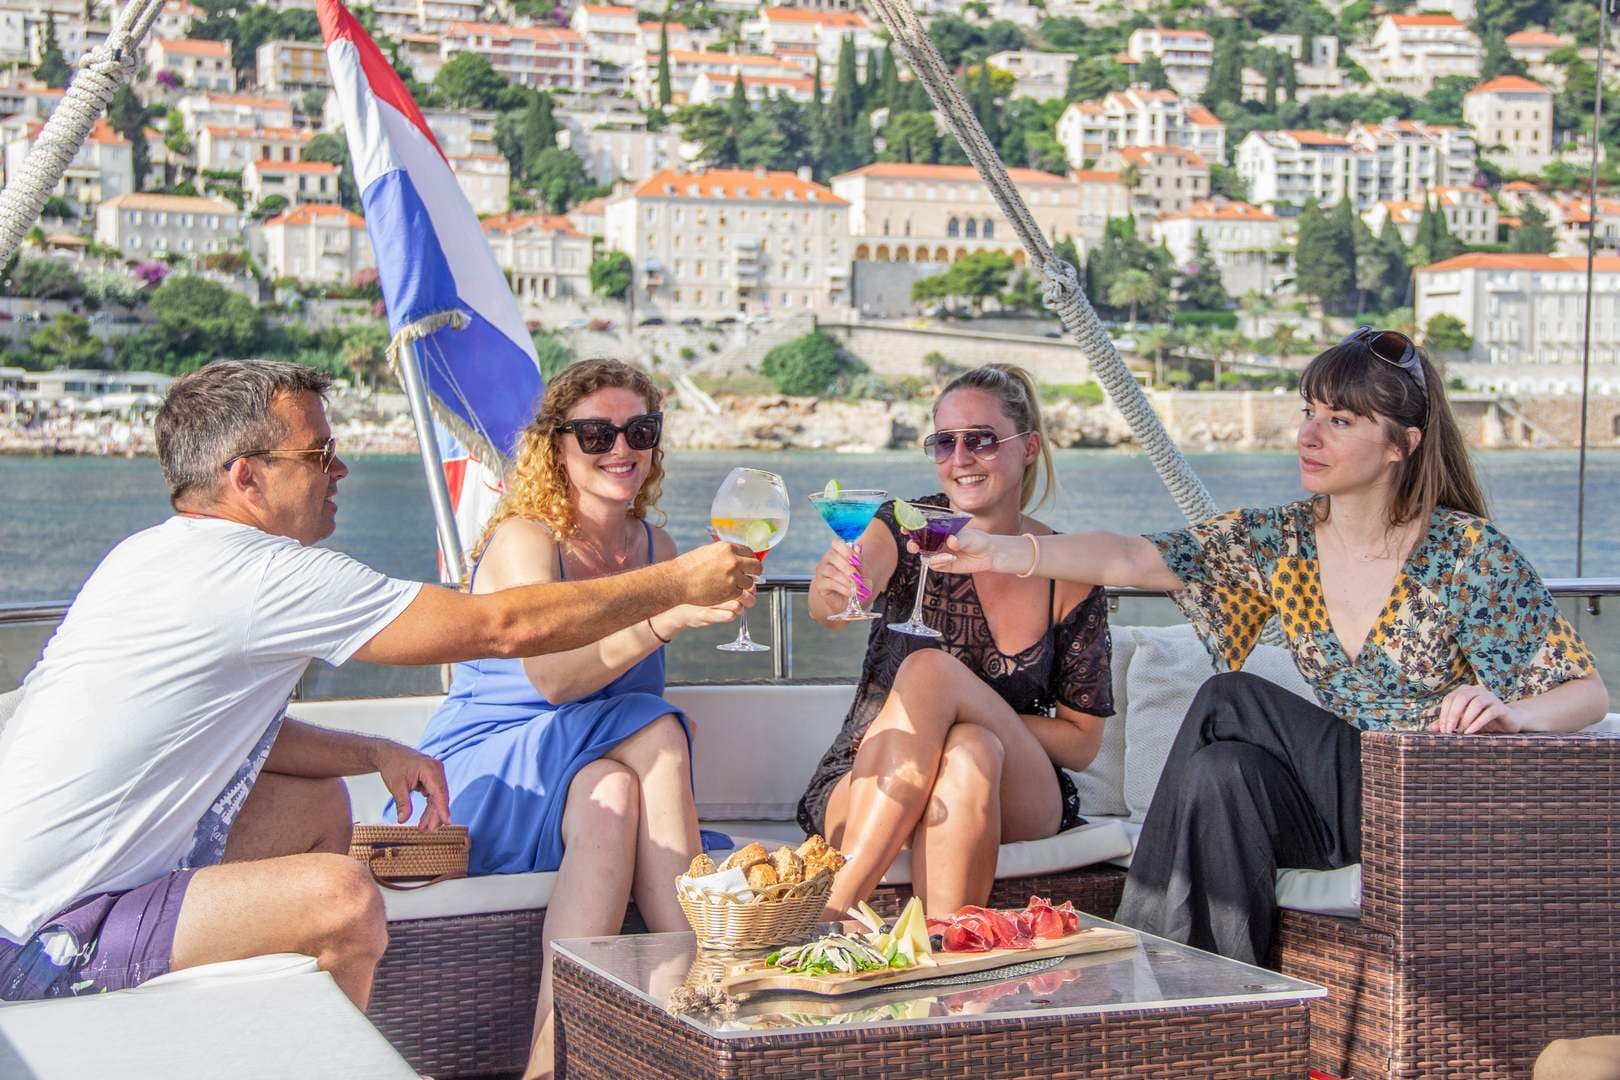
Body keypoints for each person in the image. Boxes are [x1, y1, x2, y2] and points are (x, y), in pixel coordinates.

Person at [0, 359, 756, 1012]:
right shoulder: (267, 576)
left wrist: (370, 750)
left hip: (52, 891)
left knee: (312, 800)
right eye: (320, 454)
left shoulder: (147, 556)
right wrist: (678, 585)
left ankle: (255, 1037)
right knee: (343, 898)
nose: (341, 471)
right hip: (44, 934)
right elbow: (501, 629)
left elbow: (213, 728)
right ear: (247, 478)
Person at [926, 329, 1608, 964]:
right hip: (1341, 804)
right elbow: (1134, 556)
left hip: (1430, 800)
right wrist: (1004, 548)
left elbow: (1586, 693)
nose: (1309, 436)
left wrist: (1513, 712)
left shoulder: (1465, 554)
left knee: (1230, 697)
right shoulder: (1283, 542)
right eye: (1310, 412)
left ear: (1402, 444)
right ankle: (1213, 1001)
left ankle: (1127, 956)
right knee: (1220, 774)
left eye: (1340, 421)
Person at [401, 360, 744, 1080]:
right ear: (555, 447)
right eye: (596, 434)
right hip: (491, 771)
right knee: (653, 729)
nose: (621, 449)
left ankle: (549, 1060)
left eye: (639, 431)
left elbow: (613, 704)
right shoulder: (528, 539)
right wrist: (668, 615)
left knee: (615, 791)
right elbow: (556, 681)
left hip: (591, 778)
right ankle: (700, 1008)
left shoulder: (659, 549)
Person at [802, 363, 1114, 920]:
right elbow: (836, 603)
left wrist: (963, 705)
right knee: (970, 749)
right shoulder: (905, 525)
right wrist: (833, 588)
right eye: (944, 442)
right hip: (872, 777)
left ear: (1029, 448)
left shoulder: (1067, 569)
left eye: (982, 441)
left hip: (1020, 793)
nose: (960, 458)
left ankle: (829, 913)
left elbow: (1082, 744)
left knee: (933, 676)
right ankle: (947, 959)